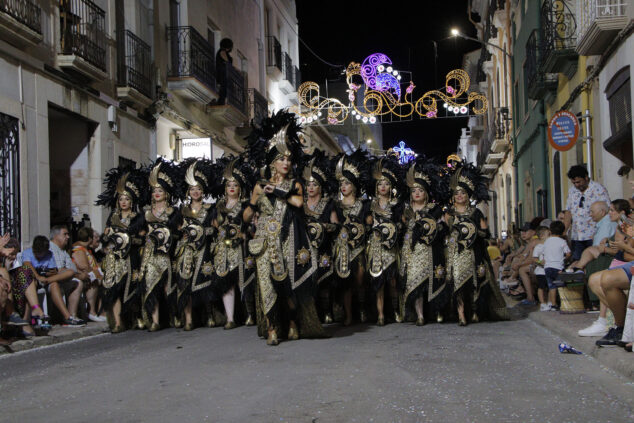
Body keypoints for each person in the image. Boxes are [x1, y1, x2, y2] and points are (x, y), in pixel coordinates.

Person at [243, 110, 324, 345]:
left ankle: (291, 322)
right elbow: (248, 213)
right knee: (266, 285)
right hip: (264, 241)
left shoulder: (295, 184)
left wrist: (278, 191)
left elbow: (299, 203)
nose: (286, 163)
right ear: (272, 162)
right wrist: (249, 210)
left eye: (288, 159)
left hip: (288, 239)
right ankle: (271, 329)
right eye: (281, 159)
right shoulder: (259, 185)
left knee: (287, 286)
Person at [445, 161, 508, 325]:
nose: (460, 196)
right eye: (457, 193)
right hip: (455, 254)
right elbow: (443, 232)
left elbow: (485, 232)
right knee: (457, 283)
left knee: (476, 283)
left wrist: (473, 231)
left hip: (474, 252)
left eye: (463, 193)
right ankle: (460, 315)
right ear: (453, 196)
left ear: (468, 195)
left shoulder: (475, 212)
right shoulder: (449, 214)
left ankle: (474, 311)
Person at [399, 157, 450, 325]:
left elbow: (443, 229)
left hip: (430, 250)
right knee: (415, 283)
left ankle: (437, 312)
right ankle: (420, 315)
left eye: (420, 190)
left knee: (434, 281)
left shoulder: (434, 210)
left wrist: (433, 228)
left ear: (426, 192)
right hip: (411, 251)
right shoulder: (406, 210)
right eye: (414, 191)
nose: (417, 193)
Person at [97, 167, 147, 333]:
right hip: (115, 259)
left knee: (132, 289)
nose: (123, 202)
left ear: (131, 200)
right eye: (120, 199)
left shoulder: (138, 218)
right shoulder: (113, 217)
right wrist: (107, 240)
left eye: (126, 199)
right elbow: (105, 236)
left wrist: (129, 239)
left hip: (131, 258)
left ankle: (136, 317)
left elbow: (142, 239)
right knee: (115, 290)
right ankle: (117, 322)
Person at [138, 158, 183, 331]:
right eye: (155, 190)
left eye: (160, 190)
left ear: (167, 193)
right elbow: (140, 232)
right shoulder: (146, 213)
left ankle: (174, 316)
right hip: (150, 254)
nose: (157, 193)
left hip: (167, 254)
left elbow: (179, 231)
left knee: (167, 287)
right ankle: (155, 320)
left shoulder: (173, 212)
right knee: (151, 285)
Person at [212, 157, 256, 328]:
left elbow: (252, 225)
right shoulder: (219, 206)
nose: (232, 188)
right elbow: (214, 225)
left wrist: (246, 233)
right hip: (223, 248)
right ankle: (230, 318)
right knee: (226, 283)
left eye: (235, 185)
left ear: (240, 188)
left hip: (242, 248)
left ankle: (250, 315)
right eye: (229, 185)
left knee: (244, 281)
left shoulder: (245, 205)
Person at [173, 158, 216, 331]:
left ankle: (210, 315)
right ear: (188, 191)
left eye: (198, 188)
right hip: (186, 250)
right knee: (185, 284)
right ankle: (188, 318)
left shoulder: (210, 208)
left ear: (203, 190)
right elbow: (177, 230)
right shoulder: (182, 210)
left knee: (206, 281)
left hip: (204, 249)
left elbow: (215, 229)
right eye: (192, 189)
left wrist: (204, 233)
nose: (195, 192)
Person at [579, 199, 633, 337]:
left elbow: (626, 252)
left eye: (612, 210)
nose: (610, 213)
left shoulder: (625, 226)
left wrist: (619, 247)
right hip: (624, 261)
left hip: (625, 261)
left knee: (606, 278)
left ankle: (617, 324)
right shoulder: (623, 226)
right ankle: (618, 322)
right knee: (594, 279)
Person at [332, 149, 372, 326]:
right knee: (345, 282)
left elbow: (370, 223)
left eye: (347, 183)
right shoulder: (336, 205)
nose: (343, 186)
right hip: (342, 248)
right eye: (341, 183)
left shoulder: (364, 205)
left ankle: (363, 309)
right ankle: (348, 315)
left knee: (360, 279)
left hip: (360, 247)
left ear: (354, 186)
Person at [299, 150, 338, 324]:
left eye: (314, 185)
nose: (311, 188)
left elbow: (336, 225)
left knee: (325, 281)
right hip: (305, 248)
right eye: (308, 185)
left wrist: (322, 227)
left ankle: (328, 311)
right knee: (308, 282)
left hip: (323, 247)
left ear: (320, 186)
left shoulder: (328, 203)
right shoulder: (300, 204)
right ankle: (311, 314)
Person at [366, 156, 404, 326]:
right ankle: (380, 314)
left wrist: (395, 227)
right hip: (374, 247)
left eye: (386, 183)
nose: (383, 186)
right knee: (378, 281)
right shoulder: (369, 204)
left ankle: (395, 310)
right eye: (380, 184)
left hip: (390, 247)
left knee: (392, 281)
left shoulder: (396, 204)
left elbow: (401, 224)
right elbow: (365, 223)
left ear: (391, 187)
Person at [22, 234, 85, 326]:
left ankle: (67, 317)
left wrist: (46, 276)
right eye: (38, 254)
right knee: (40, 281)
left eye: (42, 253)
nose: (40, 256)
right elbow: (27, 265)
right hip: (33, 279)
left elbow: (53, 271)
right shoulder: (27, 253)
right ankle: (34, 315)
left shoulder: (49, 254)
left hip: (47, 279)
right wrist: (38, 276)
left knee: (64, 277)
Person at [563, 165, 610, 261]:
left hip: (593, 234)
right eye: (574, 183)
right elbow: (568, 212)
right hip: (577, 235)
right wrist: (564, 230)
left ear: (586, 177)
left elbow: (606, 211)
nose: (576, 185)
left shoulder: (599, 189)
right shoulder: (572, 191)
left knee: (593, 261)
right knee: (577, 261)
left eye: (578, 182)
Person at [71, 227, 105, 322]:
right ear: (89, 238)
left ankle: (101, 311)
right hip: (80, 275)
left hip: (86, 274)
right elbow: (85, 266)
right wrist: (98, 275)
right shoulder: (79, 249)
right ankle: (92, 311)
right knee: (95, 280)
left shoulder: (86, 249)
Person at [543, 221, 571, 311]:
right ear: (563, 232)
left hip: (547, 267)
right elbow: (568, 253)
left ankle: (553, 304)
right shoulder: (562, 241)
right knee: (561, 285)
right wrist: (565, 259)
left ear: (550, 231)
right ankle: (564, 303)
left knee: (551, 286)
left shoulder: (546, 241)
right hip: (558, 266)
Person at [532, 226, 551, 311]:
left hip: (549, 269)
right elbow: (535, 258)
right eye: (549, 234)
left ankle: (550, 301)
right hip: (541, 270)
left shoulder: (551, 246)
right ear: (542, 236)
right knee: (541, 287)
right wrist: (540, 262)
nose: (550, 236)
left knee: (550, 286)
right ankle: (542, 302)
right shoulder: (538, 247)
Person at [215, 38, 233, 105]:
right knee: (223, 90)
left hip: (223, 74)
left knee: (224, 90)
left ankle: (221, 101)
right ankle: (220, 102)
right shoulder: (222, 52)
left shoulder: (222, 52)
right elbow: (227, 62)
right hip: (222, 74)